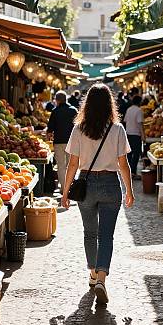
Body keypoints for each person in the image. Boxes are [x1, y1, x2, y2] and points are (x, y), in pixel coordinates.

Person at [62, 83, 134, 305]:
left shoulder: (78, 129)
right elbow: (124, 164)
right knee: (106, 236)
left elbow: (72, 164)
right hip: (111, 184)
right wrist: (129, 191)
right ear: (110, 105)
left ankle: (93, 273)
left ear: (87, 105)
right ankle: (102, 277)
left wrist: (65, 193)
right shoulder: (117, 129)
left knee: (89, 233)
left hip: (85, 184)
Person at [47, 91, 78, 190]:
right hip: (72, 142)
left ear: (57, 100)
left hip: (59, 142)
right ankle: (70, 187)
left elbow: (50, 128)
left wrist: (49, 136)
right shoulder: (73, 110)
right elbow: (78, 127)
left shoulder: (55, 111)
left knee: (61, 166)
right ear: (66, 99)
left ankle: (64, 188)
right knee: (71, 165)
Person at [124, 95, 144, 179]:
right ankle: (133, 172)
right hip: (136, 135)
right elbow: (140, 124)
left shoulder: (129, 109)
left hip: (128, 134)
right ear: (139, 102)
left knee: (129, 154)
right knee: (136, 154)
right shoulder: (139, 110)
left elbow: (125, 120)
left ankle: (129, 172)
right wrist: (143, 135)